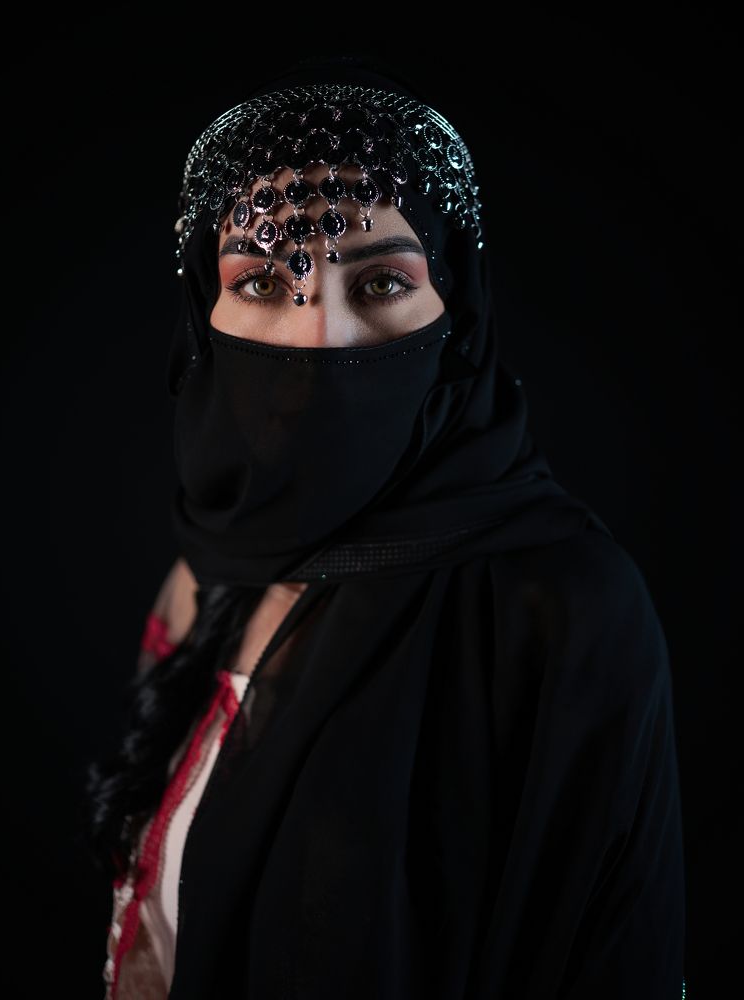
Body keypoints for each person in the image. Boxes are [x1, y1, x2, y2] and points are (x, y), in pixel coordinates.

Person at [82, 54, 686, 999]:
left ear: (459, 306)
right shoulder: (204, 581)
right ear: (203, 311)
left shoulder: (558, 608)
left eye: (379, 283)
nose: (321, 339)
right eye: (263, 282)